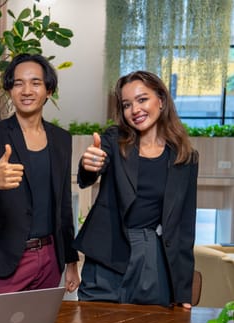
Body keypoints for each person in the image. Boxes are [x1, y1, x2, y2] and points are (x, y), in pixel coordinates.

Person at [73, 70, 199, 308]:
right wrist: (89, 164)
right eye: (127, 104)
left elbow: (184, 227)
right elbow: (91, 170)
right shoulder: (113, 139)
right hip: (106, 252)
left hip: (152, 254)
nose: (135, 110)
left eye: (142, 100)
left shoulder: (186, 158)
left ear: (161, 100)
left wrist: (183, 292)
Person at [0, 54, 80, 295]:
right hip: (6, 257)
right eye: (18, 83)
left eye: (35, 83)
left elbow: (63, 206)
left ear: (48, 91)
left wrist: (70, 260)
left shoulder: (61, 139)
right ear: (9, 90)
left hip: (50, 258)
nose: (27, 90)